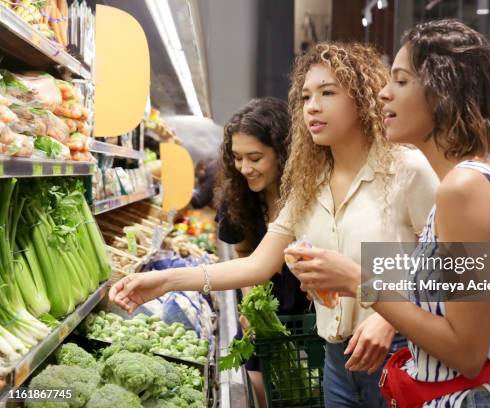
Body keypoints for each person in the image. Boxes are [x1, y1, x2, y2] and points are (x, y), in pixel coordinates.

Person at [109, 42, 438, 408]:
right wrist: (164, 281)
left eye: (328, 93)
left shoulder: (407, 169)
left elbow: (464, 268)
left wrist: (389, 316)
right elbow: (256, 265)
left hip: (399, 355)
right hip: (336, 360)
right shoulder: (308, 183)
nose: (312, 106)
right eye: (305, 96)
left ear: (361, 98)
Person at [286, 20, 490, 407]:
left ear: (441, 91)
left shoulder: (461, 190)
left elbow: (466, 352)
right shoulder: (478, 175)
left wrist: (359, 281)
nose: (382, 94)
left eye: (400, 81)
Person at [213, 97, 310, 407]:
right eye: (238, 158)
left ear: (281, 153)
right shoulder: (240, 197)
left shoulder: (308, 195)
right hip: (265, 320)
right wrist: (252, 302)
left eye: (255, 158)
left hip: (309, 320)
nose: (245, 168)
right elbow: (243, 252)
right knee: (262, 388)